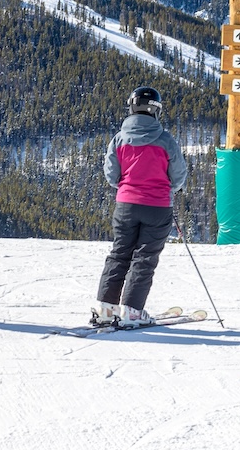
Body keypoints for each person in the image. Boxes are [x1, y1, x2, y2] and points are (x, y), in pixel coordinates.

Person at [93, 86, 188, 327]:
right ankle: (132, 311)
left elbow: (111, 175)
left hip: (126, 204)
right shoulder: (165, 140)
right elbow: (178, 175)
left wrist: (127, 187)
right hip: (157, 206)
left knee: (119, 253)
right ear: (156, 111)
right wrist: (170, 188)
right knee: (144, 259)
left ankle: (105, 309)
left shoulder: (119, 138)